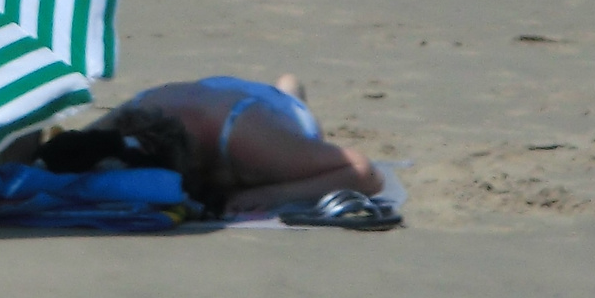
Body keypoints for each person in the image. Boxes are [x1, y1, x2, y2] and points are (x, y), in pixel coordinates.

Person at [35, 74, 381, 216]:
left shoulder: (253, 145)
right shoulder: (126, 120)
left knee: (293, 110)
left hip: (260, 112)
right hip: (204, 95)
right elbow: (56, 154)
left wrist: (270, 196)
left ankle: (289, 88)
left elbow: (365, 173)